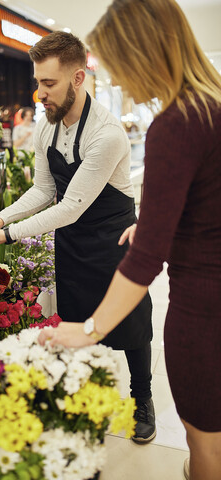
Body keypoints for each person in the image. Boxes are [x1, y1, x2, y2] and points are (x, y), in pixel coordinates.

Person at [37, 2, 221, 480]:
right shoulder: (211, 105)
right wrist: (171, 220)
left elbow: (145, 263)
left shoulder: (175, 125)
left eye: (118, 65)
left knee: (206, 446)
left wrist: (90, 329)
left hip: (204, 311)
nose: (116, 82)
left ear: (145, 53)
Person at [0, 31, 155, 443]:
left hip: (113, 240)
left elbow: (72, 206)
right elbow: (44, 192)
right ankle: (84, 398)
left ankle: (143, 399)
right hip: (72, 243)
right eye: (37, 82)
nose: (39, 94)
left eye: (48, 84)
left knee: (131, 326)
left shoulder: (107, 133)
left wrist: (6, 236)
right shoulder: (47, 127)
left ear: (79, 78)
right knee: (76, 323)